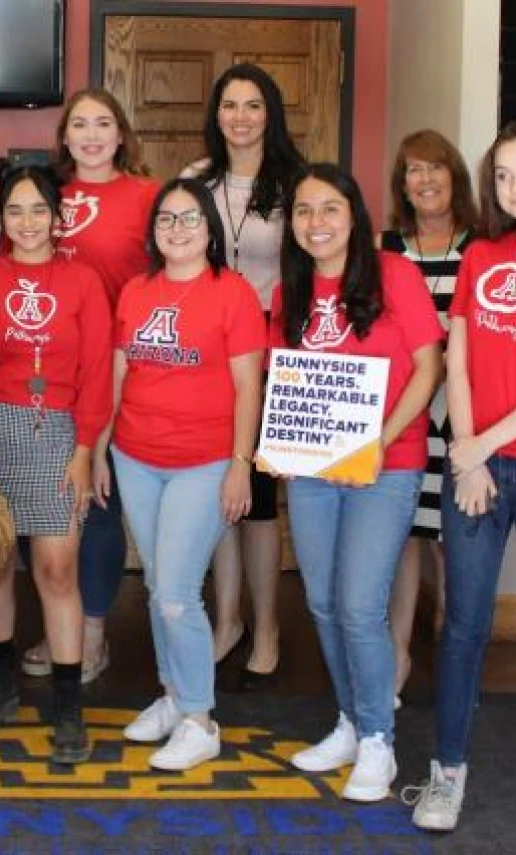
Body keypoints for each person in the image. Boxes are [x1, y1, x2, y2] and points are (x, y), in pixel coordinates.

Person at [273, 163, 443, 801]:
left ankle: (379, 739)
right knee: (321, 602)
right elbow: (286, 378)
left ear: (354, 215)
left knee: (360, 608)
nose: (316, 223)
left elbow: (429, 369)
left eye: (329, 209)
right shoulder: (289, 288)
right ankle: (349, 720)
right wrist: (284, 440)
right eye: (303, 211)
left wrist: (379, 438)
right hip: (315, 470)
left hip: (386, 465)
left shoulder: (394, 273)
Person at [100, 178, 264, 771]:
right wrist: (100, 447)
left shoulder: (234, 294)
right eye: (166, 220)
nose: (177, 229)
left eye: (190, 219)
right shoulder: (135, 291)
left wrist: (241, 466)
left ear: (210, 229)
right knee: (157, 587)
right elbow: (119, 376)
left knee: (174, 593)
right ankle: (172, 697)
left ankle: (200, 718)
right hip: (137, 455)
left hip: (205, 460)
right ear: (153, 231)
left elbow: (249, 385)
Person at [404, 120, 516, 831]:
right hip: (477, 468)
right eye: (507, 173)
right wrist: (468, 448)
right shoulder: (483, 254)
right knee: (463, 624)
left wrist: (482, 442)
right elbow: (458, 356)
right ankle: (446, 772)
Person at [0, 161, 112, 763]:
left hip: (58, 436)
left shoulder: (84, 282)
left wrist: (84, 449)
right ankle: (0, 690)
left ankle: (68, 706)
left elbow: (98, 370)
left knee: (56, 570)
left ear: (58, 217)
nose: (27, 222)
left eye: (39, 210)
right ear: (2, 216)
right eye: (15, 210)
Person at [19, 88, 159, 684]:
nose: (93, 134)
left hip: (124, 366)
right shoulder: (45, 195)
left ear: (121, 134)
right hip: (45, 373)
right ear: (65, 137)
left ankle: (92, 633)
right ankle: (60, 626)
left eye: (104, 123)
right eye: (80, 124)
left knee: (97, 502)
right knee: (42, 500)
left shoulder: (147, 197)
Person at [184, 64, 306, 685]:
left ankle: (267, 625)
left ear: (270, 113)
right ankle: (226, 619)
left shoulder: (296, 181)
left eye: (253, 105)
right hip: (209, 348)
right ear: (216, 113)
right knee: (218, 491)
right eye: (229, 105)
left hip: (273, 346)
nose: (240, 116)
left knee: (259, 499)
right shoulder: (195, 180)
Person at [379, 129, 477, 705]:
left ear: (454, 177)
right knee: (406, 532)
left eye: (435, 168)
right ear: (402, 184)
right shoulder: (385, 248)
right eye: (413, 170)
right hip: (406, 407)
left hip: (463, 410)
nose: (425, 180)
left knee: (456, 535)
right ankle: (398, 651)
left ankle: (452, 642)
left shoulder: (483, 246)